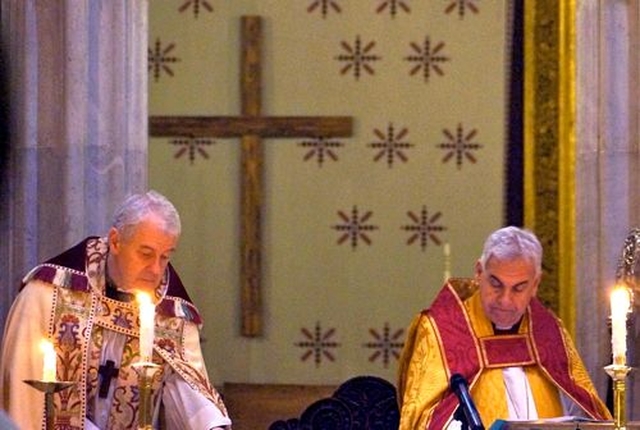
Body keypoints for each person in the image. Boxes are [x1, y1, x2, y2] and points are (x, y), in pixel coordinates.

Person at [0, 190, 232, 429]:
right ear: (115, 241)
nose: (155, 270)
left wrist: (211, 425)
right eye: (146, 254)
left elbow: (186, 387)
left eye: (165, 257)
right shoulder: (48, 294)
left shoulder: (171, 312)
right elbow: (24, 397)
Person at [397, 226, 612, 429]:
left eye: (519, 288)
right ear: (479, 272)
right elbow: (421, 419)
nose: (505, 300)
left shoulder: (549, 332)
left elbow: (583, 411)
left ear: (536, 284)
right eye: (496, 284)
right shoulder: (441, 331)